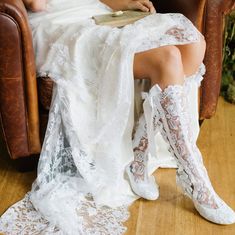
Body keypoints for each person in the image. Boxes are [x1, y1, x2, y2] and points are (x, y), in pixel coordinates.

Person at [0, 0, 234, 234]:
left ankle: (140, 154)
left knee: (193, 44)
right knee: (167, 58)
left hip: (96, 13)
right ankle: (196, 181)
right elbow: (36, 4)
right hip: (57, 24)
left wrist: (124, 4)